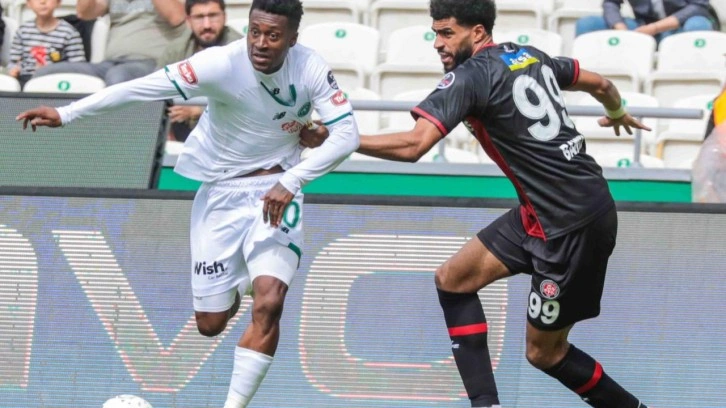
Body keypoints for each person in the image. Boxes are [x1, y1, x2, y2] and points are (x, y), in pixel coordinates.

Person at [303, 0, 653, 406]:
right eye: (435, 33)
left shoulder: (471, 77)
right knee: (453, 279)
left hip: (569, 224)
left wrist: (342, 140)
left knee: (545, 353)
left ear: (479, 32)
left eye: (447, 33)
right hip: (552, 209)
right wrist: (617, 111)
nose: (437, 43)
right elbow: (601, 84)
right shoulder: (529, 55)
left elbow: (415, 145)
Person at [16, 1, 359, 407]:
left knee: (270, 303)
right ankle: (241, 281)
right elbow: (139, 88)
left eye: (273, 35)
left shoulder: (310, 67)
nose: (261, 43)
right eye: (255, 31)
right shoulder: (219, 64)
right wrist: (67, 112)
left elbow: (347, 135)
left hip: (278, 188)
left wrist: (292, 180)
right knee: (210, 324)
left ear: (292, 39)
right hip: (221, 193)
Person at [33, 0, 187, 85]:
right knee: (44, 74)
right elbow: (85, 13)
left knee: (118, 75)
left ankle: (113, 133)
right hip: (110, 64)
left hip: (153, 64)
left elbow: (177, 17)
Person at [159, 0, 243, 142]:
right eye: (199, 17)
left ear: (224, 17)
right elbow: (157, 94)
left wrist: (197, 111)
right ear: (188, 21)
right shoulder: (175, 51)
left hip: (231, 135)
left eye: (213, 16)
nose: (207, 25)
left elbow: (247, 102)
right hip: (183, 133)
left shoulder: (240, 51)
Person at [7, 0, 86, 88]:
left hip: (56, 81)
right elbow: (13, 61)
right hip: (26, 79)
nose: (43, 1)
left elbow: (78, 66)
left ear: (58, 2)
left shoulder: (69, 32)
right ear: (28, 3)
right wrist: (13, 69)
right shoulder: (23, 30)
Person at [576, 0, 720, 42]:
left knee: (697, 25)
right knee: (587, 25)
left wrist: (656, 27)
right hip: (642, 26)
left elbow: (699, 6)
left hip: (679, 25)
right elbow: (611, 3)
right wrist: (621, 29)